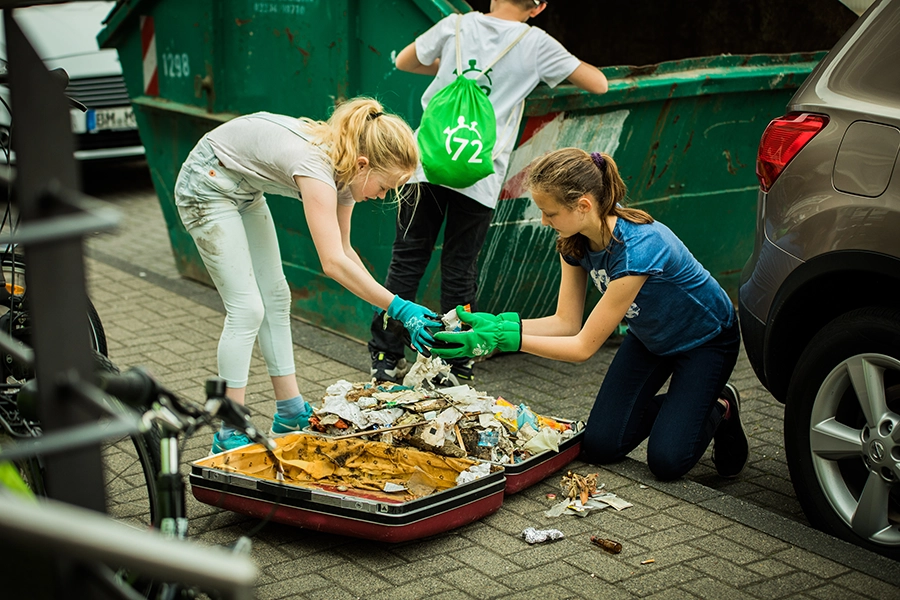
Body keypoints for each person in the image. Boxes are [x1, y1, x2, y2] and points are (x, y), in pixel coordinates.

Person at [431, 148, 749, 481]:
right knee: (599, 445)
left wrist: (503, 341)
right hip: (652, 337)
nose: (544, 221)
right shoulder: (574, 241)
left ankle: (720, 407)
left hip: (705, 341)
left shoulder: (638, 247)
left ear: (583, 206)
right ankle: (685, 409)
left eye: (549, 213)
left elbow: (583, 347)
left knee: (667, 462)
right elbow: (566, 323)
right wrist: (498, 324)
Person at [173, 98, 439, 454]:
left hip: (244, 190)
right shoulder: (317, 167)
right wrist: (399, 307)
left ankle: (290, 411)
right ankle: (229, 429)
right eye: (386, 185)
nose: (384, 195)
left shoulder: (347, 172)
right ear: (364, 165)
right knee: (247, 308)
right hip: (206, 184)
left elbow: (345, 251)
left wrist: (388, 305)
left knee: (277, 298)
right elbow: (331, 262)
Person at [367, 0, 609, 386]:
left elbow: (406, 61)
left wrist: (453, 67)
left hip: (425, 164)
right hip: (479, 174)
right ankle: (456, 361)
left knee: (406, 262)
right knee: (459, 270)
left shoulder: (456, 26)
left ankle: (384, 357)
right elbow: (599, 83)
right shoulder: (537, 45)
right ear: (540, 6)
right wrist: (527, 76)